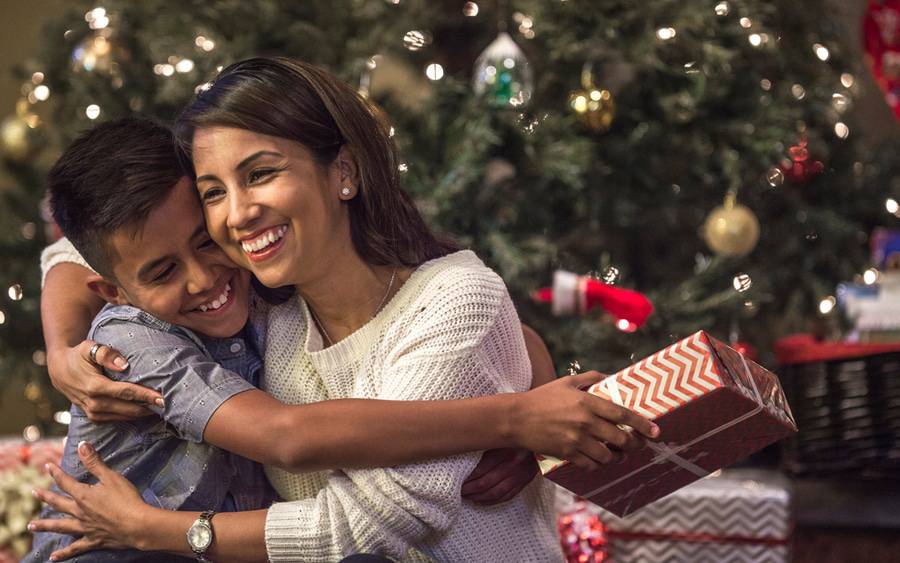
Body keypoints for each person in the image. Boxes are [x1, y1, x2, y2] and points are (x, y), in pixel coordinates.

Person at [33, 58, 658, 562]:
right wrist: (63, 350)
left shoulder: (445, 299)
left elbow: (361, 524)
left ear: (345, 173)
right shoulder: (265, 313)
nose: (238, 214)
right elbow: (76, 251)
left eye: (262, 173)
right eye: (215, 193)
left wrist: (522, 399)